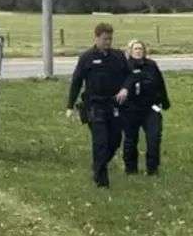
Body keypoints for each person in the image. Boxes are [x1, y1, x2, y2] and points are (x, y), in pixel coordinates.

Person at [67, 23, 130, 188]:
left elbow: (129, 76)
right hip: (94, 105)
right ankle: (102, 181)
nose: (108, 42)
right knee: (100, 141)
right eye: (104, 39)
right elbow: (76, 82)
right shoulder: (86, 57)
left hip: (114, 104)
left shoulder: (118, 56)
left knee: (115, 140)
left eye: (110, 39)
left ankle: (98, 164)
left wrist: (125, 88)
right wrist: (69, 106)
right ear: (96, 38)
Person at [121, 39, 170, 176]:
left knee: (154, 138)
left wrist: (164, 101)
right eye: (135, 49)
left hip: (150, 108)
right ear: (130, 51)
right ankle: (131, 170)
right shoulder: (125, 66)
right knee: (130, 140)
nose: (138, 51)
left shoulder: (151, 65)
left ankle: (152, 169)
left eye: (140, 49)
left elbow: (160, 84)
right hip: (131, 109)